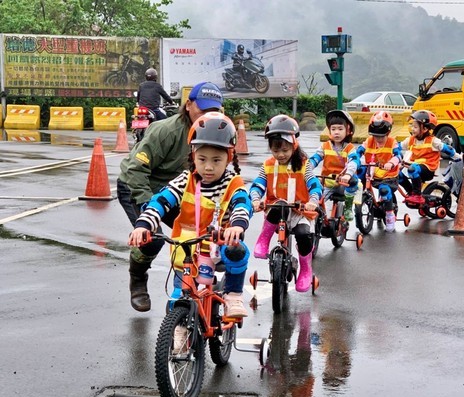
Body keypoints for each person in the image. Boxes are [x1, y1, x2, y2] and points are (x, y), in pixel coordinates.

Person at [128, 112, 252, 318]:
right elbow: (160, 200)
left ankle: (233, 296)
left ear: (229, 158)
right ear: (193, 155)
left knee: (236, 250)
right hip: (186, 249)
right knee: (178, 297)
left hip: (218, 245)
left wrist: (237, 226)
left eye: (216, 160)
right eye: (202, 159)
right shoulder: (186, 180)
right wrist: (143, 225)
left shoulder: (232, 182)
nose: (209, 166)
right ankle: (178, 332)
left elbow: (242, 203)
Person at [117, 81, 224, 312]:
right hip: (136, 186)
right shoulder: (166, 131)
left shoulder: (217, 133)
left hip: (174, 190)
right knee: (152, 238)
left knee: (198, 232)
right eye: (203, 110)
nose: (208, 115)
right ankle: (137, 279)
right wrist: (148, 209)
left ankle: (191, 284)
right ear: (188, 106)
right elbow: (135, 171)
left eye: (214, 110)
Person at [249, 114, 323, 292]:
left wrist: (313, 201)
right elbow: (257, 185)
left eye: (284, 150)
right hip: (276, 212)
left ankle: (305, 269)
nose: (280, 155)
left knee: (304, 236)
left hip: (301, 211)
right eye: (275, 150)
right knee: (279, 204)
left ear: (293, 145)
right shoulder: (267, 165)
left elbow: (314, 185)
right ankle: (263, 240)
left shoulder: (304, 165)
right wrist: (256, 199)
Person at [352, 111, 403, 232]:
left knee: (384, 190)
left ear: (388, 133)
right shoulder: (369, 141)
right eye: (375, 136)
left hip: (388, 176)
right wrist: (355, 160)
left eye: (381, 136)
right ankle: (358, 203)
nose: (378, 139)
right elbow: (359, 151)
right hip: (373, 172)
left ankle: (390, 215)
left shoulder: (392, 142)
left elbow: (399, 155)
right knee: (358, 176)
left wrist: (391, 163)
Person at [398, 110, 460, 205]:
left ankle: (417, 195)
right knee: (397, 174)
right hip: (415, 167)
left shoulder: (433, 141)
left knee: (412, 169)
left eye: (415, 127)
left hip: (428, 169)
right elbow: (397, 147)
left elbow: (448, 149)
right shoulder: (410, 140)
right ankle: (411, 193)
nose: (412, 129)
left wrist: (458, 158)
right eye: (412, 126)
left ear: (425, 129)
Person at [307, 110, 359, 221]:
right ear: (329, 130)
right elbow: (315, 158)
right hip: (328, 182)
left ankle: (348, 208)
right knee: (316, 199)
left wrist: (348, 175)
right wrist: (305, 169)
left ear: (348, 130)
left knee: (354, 181)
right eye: (333, 129)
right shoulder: (325, 146)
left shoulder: (349, 148)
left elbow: (354, 161)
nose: (336, 132)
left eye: (340, 129)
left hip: (343, 183)